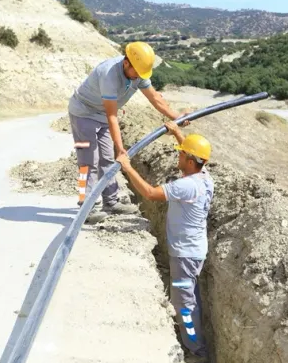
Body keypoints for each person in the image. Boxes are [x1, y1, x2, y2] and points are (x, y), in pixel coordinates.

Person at [117, 121, 214, 362]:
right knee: (189, 298)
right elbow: (193, 153)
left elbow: (150, 193)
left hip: (185, 255)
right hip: (193, 251)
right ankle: (195, 343)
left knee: (185, 306)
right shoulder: (204, 176)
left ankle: (196, 351)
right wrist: (179, 134)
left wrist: (128, 168)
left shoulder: (186, 186)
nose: (178, 156)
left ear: (190, 161)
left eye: (181, 154)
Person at [68, 41, 186, 221]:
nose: (139, 76)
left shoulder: (138, 71)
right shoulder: (109, 75)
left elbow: (155, 98)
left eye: (141, 74)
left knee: (107, 159)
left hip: (101, 115)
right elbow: (112, 116)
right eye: (136, 72)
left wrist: (176, 116)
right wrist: (121, 147)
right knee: (88, 161)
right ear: (126, 63)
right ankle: (86, 206)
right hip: (83, 113)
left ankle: (111, 201)